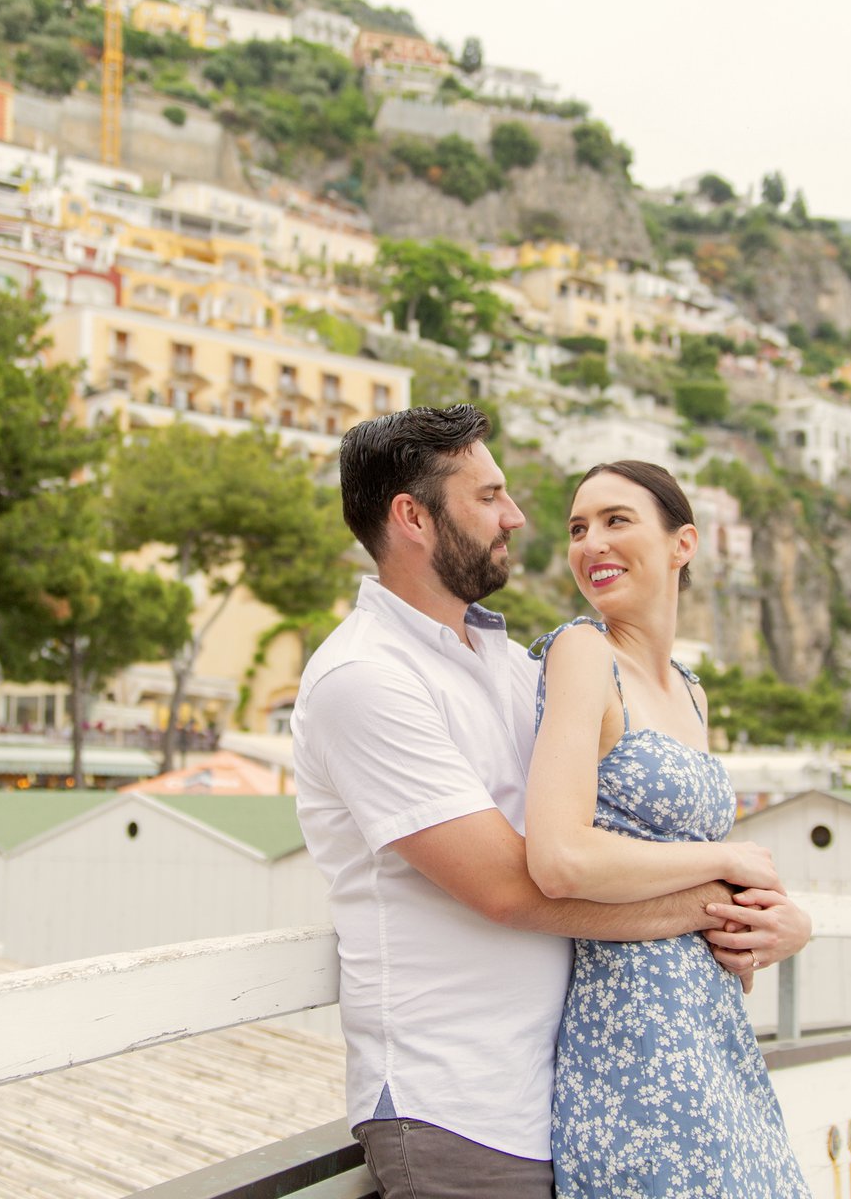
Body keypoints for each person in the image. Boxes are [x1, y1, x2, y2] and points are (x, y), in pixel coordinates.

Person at [293, 406, 809, 1198]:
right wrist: (721, 900)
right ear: (414, 517)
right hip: (460, 1104)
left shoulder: (503, 665)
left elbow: (609, 829)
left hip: (561, 1087)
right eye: (490, 496)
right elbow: (512, 886)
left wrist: (772, 915)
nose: (517, 517)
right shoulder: (367, 679)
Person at [528, 461, 812, 1196]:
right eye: (578, 528)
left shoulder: (693, 693)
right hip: (635, 1040)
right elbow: (559, 857)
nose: (592, 542)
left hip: (715, 1029)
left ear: (683, 543)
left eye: (617, 520)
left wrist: (781, 925)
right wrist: (726, 859)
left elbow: (700, 873)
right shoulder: (583, 652)